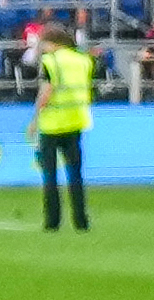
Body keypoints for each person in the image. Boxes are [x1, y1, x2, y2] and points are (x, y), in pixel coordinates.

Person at [28, 14, 100, 232]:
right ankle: (81, 220)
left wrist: (35, 120)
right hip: (76, 122)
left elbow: (47, 91)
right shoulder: (83, 61)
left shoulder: (51, 61)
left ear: (52, 43)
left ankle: (52, 221)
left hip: (52, 125)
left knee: (50, 176)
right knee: (75, 175)